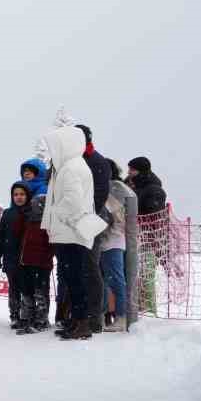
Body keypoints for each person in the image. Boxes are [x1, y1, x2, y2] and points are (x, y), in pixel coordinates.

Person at [40, 126, 105, 340]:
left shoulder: (70, 168)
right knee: (73, 277)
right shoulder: (74, 165)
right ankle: (77, 320)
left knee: (75, 278)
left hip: (70, 231)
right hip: (70, 231)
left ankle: (81, 322)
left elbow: (72, 200)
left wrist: (55, 212)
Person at [76, 126, 113, 333]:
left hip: (89, 219)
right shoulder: (73, 160)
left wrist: (85, 216)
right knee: (73, 268)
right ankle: (77, 314)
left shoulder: (97, 162)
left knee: (90, 267)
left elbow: (100, 193)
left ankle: (94, 317)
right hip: (72, 220)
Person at [126, 156, 167, 313]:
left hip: (148, 240)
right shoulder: (129, 184)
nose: (129, 172)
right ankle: (137, 311)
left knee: (146, 277)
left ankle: (149, 313)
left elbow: (153, 215)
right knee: (133, 278)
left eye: (132, 170)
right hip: (130, 239)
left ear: (141, 171)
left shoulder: (154, 190)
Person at [101, 162, 135, 331]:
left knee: (115, 279)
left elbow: (110, 214)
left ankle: (121, 316)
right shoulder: (113, 187)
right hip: (106, 239)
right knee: (105, 280)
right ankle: (105, 315)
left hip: (112, 239)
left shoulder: (115, 188)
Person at [17, 184, 54, 333]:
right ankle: (28, 317)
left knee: (39, 291)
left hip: (41, 263)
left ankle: (41, 319)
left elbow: (51, 245)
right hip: (27, 261)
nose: (36, 208)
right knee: (28, 290)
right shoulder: (28, 221)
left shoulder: (47, 224)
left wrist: (48, 257)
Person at [0, 183, 30, 330]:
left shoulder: (31, 212)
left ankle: (26, 316)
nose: (19, 197)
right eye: (16, 194)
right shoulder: (8, 213)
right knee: (14, 288)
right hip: (10, 257)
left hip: (27, 257)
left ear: (27, 196)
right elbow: (1, 236)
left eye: (22, 194)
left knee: (27, 287)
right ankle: (14, 316)